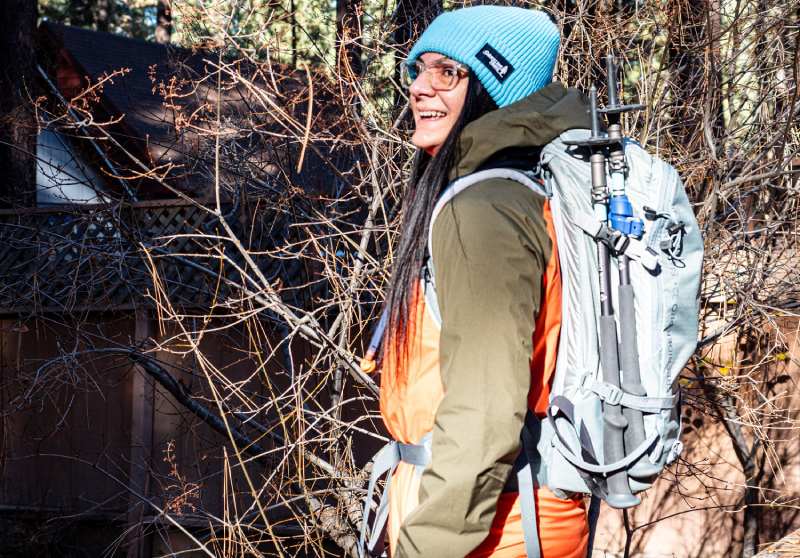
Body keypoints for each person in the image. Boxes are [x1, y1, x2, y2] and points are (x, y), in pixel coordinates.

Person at [375, 6, 594, 557]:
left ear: (498, 85)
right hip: (518, 511)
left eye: (448, 72)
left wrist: (426, 547)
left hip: (492, 531)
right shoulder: (527, 186)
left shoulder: (484, 209)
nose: (420, 88)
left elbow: (484, 412)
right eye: (418, 69)